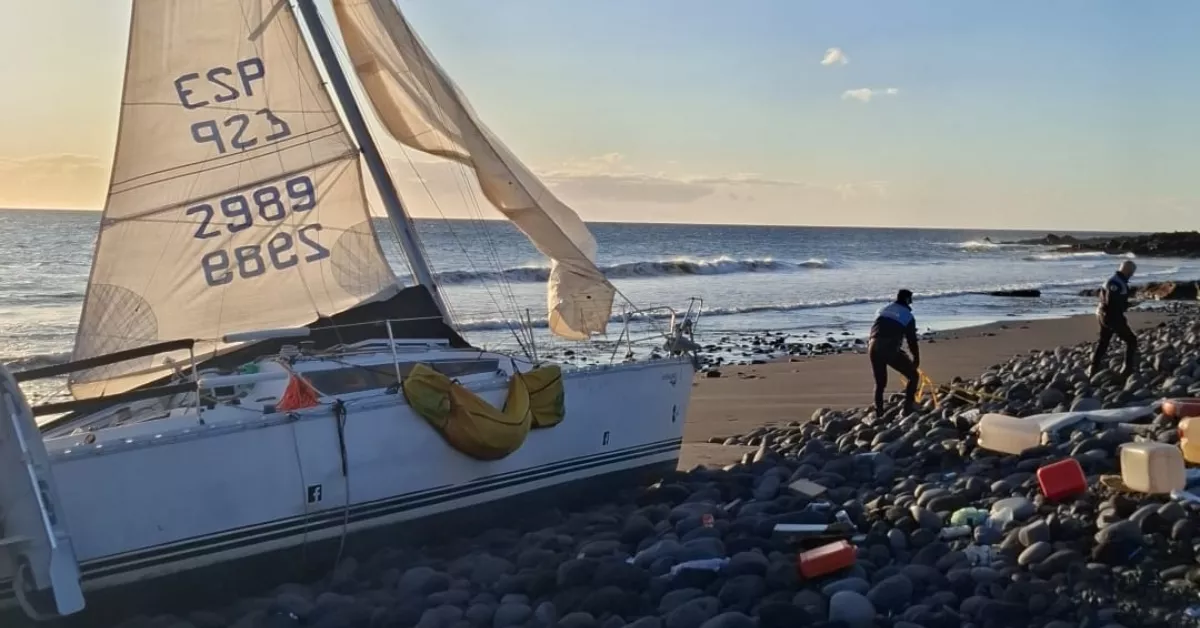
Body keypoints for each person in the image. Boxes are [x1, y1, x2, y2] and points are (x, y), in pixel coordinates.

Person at [868, 289, 921, 415]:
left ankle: (879, 412)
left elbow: (879, 330)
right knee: (913, 376)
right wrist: (916, 358)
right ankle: (908, 408)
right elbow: (911, 340)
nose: (911, 303)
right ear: (907, 300)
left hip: (873, 346)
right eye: (911, 300)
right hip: (889, 348)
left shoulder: (883, 310)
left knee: (880, 383)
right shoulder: (908, 316)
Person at [1089, 260, 1138, 378]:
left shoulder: (1114, 280)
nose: (1132, 274)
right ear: (1127, 270)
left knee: (1104, 341)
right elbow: (1112, 302)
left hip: (1103, 314)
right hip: (1112, 316)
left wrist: (1128, 304)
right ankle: (1127, 369)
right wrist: (1126, 305)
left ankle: (1093, 368)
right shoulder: (1116, 283)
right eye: (1131, 272)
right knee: (1131, 340)